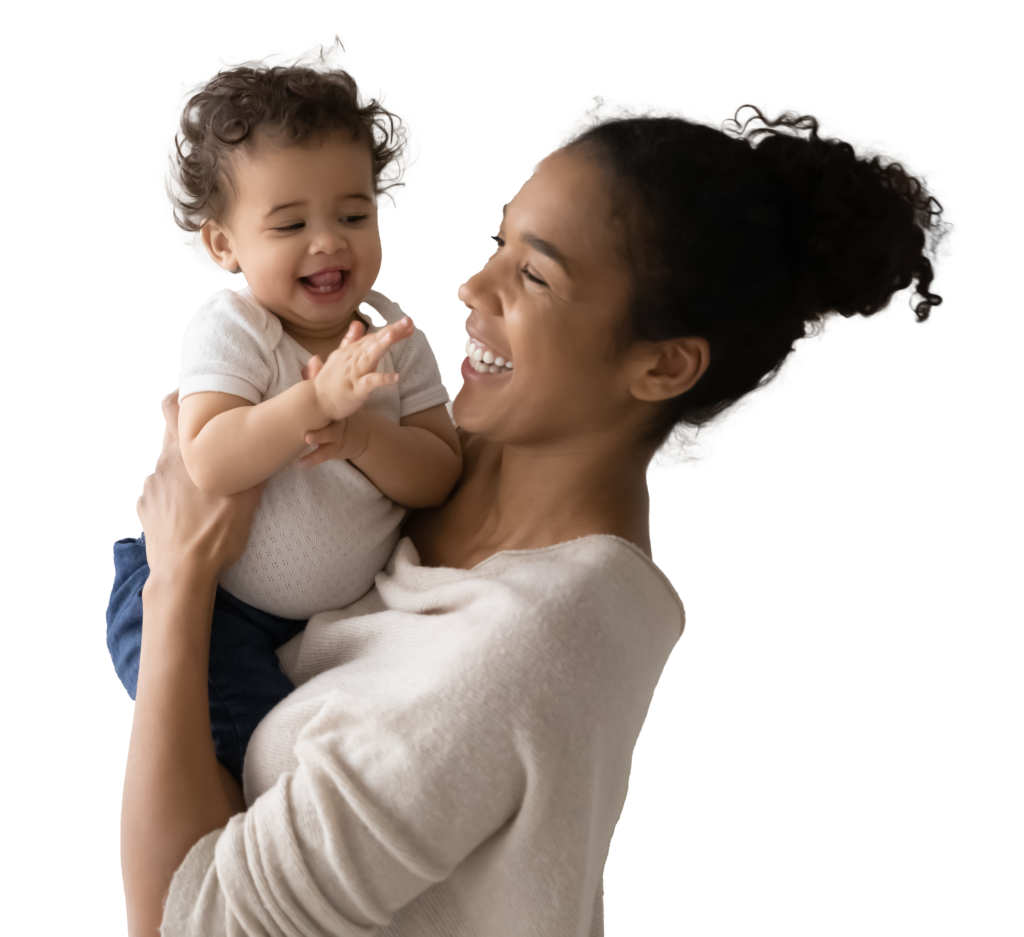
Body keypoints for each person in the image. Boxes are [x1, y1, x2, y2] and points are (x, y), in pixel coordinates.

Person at [120, 103, 951, 935]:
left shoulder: (525, 648)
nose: (472, 288)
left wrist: (181, 580)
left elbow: (186, 925)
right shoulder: (444, 460)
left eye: (538, 275)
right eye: (499, 244)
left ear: (662, 364)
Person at [106, 55, 461, 789]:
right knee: (260, 750)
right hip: (205, 605)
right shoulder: (235, 329)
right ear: (225, 245)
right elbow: (209, 460)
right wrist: (316, 403)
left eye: (354, 215)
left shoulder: (398, 337)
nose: (328, 241)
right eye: (290, 222)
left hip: (324, 626)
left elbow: (440, 472)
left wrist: (365, 435)